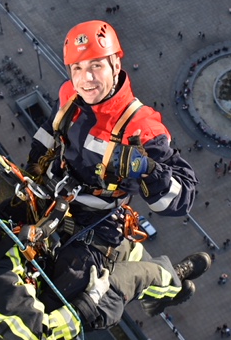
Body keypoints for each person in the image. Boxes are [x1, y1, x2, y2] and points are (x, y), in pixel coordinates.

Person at [27, 20, 199, 309]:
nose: (85, 79)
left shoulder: (142, 128)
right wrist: (31, 171)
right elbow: (50, 130)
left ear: (115, 65)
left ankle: (159, 280)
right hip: (53, 200)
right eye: (77, 68)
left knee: (67, 298)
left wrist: (148, 170)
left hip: (96, 222)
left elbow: (183, 200)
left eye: (96, 66)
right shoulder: (70, 95)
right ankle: (152, 273)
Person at [0, 169, 210, 338]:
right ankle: (170, 282)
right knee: (132, 276)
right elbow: (43, 335)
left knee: (121, 247)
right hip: (57, 318)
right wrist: (90, 301)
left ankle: (160, 296)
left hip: (40, 284)